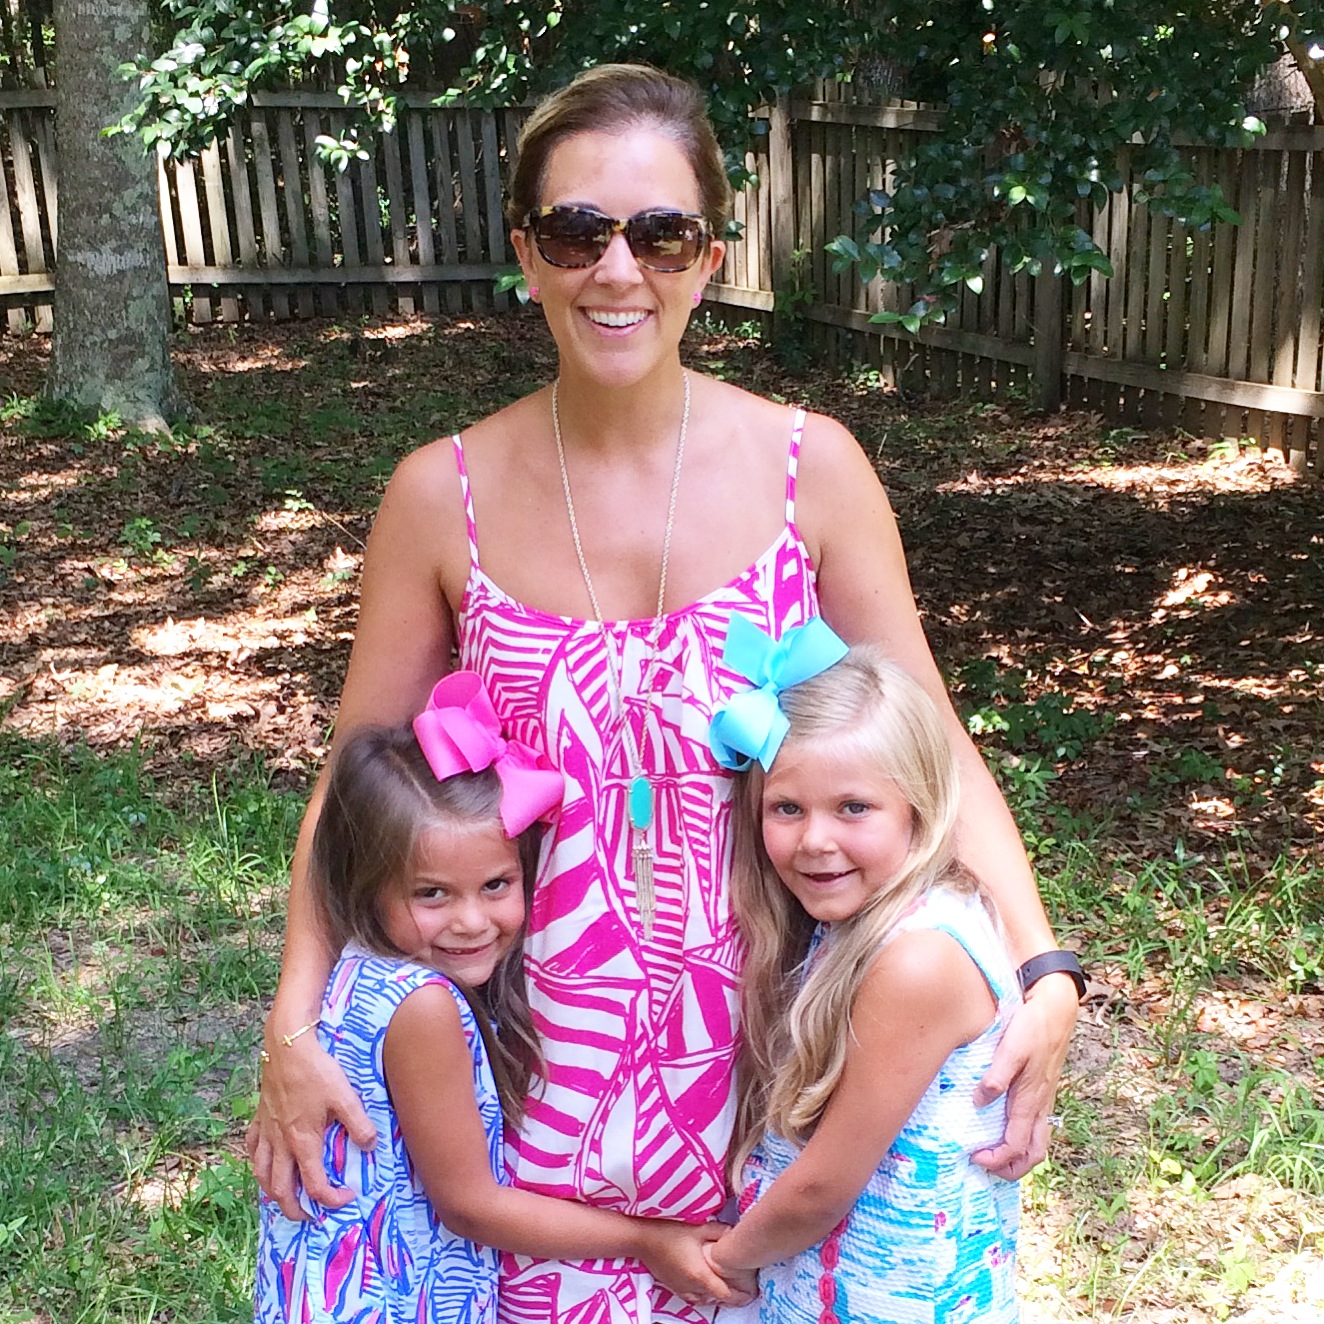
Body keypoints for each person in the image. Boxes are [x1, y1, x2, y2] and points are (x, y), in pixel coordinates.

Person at [247, 62, 1079, 1324]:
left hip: (776, 1080)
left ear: (711, 257)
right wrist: (293, 1029)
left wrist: (1044, 969)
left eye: (661, 233)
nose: (617, 268)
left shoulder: (812, 470)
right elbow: (353, 781)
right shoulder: (438, 495)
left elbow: (932, 741)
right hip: (528, 1091)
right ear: (526, 254)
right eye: (576, 231)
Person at [254, 670, 737, 1322]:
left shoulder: (360, 972)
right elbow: (469, 1205)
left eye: (495, 885)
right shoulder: (423, 1007)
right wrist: (645, 1240)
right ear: (366, 885)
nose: (472, 921)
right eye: (432, 893)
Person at [703, 623, 1020, 1322]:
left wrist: (724, 1263)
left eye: (854, 808)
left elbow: (823, 1188)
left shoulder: (918, 960)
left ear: (920, 807)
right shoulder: (863, 926)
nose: (816, 840)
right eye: (787, 809)